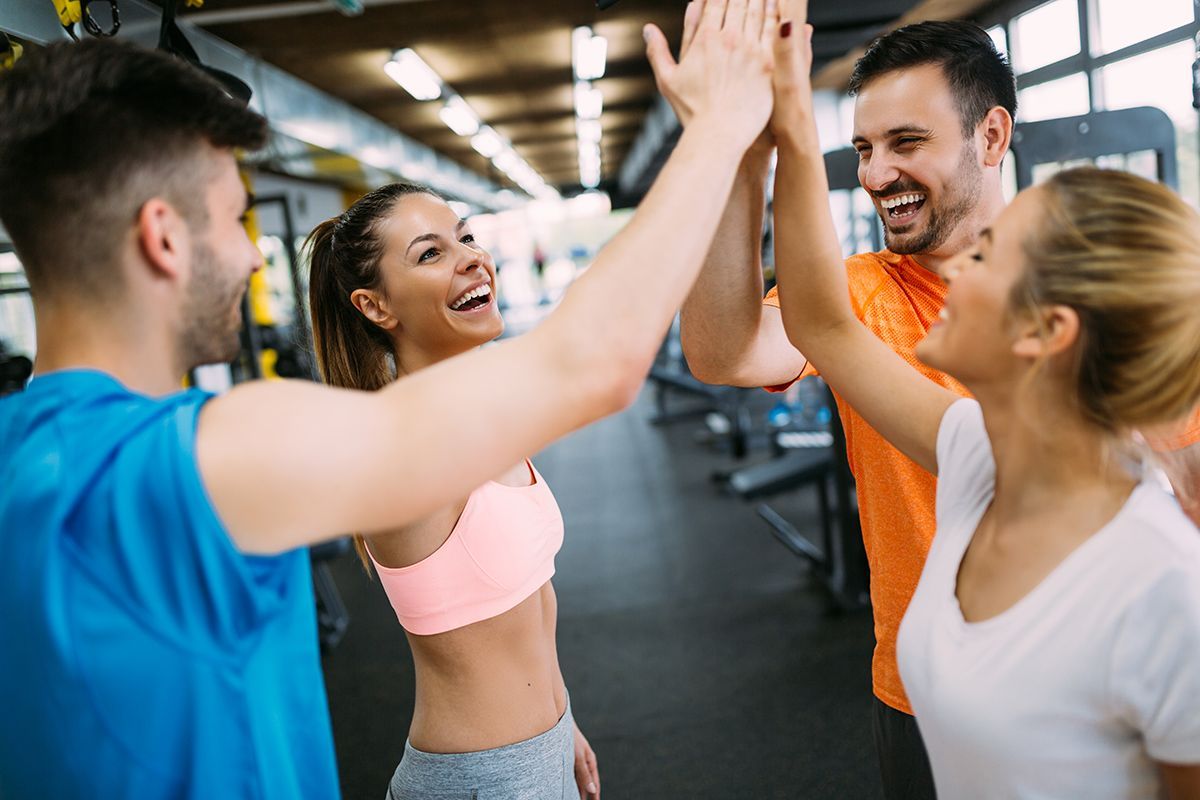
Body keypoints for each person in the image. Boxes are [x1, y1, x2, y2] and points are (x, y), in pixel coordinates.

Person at [0, 5, 778, 794]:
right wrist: (720, 126)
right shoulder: (209, 452)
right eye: (234, 219)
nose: (247, 254)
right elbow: (596, 363)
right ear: (164, 238)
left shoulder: (19, 458)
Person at [659, 10, 1200, 795]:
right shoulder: (967, 438)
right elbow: (746, 346)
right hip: (922, 688)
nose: (877, 175)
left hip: (1086, 695)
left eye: (907, 143)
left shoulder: (1113, 343)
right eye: (865, 150)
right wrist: (742, 147)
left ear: (990, 136)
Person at [305, 184, 600, 799]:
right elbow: (604, 355)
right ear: (375, 306)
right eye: (430, 254)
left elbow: (530, 606)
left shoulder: (484, 419)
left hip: (542, 753)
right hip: (480, 781)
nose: (471, 256)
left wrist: (561, 718)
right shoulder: (400, 447)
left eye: (466, 236)